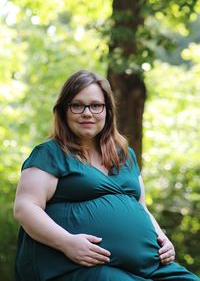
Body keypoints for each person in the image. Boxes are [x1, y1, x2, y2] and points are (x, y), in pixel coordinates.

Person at [14, 70, 199, 281]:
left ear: (107, 111)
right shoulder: (50, 153)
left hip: (152, 266)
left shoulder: (125, 155)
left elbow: (141, 207)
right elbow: (25, 208)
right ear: (63, 111)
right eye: (77, 105)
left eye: (96, 105)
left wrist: (162, 238)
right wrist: (67, 243)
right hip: (82, 267)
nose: (87, 113)